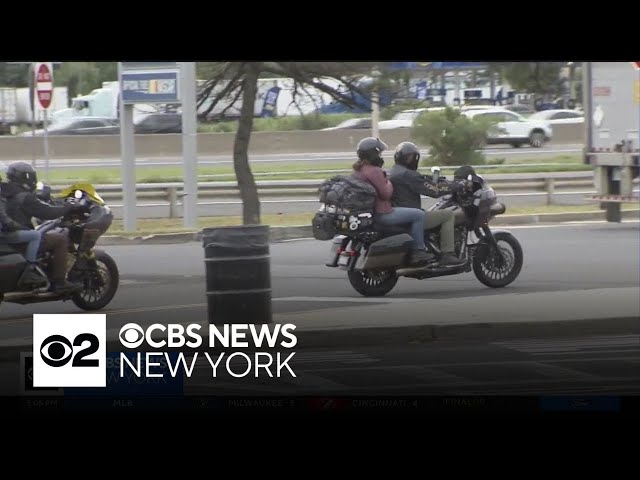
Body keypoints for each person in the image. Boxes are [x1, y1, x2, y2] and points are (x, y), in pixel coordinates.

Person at [1, 162, 82, 293]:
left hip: (5, 235)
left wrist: (39, 196)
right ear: (25, 177)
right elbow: (47, 212)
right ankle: (60, 282)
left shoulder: (5, 191)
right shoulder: (25, 197)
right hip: (19, 236)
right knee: (60, 240)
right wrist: (68, 207)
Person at [351, 137, 432, 265]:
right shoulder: (375, 171)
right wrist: (388, 182)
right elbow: (386, 194)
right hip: (383, 213)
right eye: (379, 153)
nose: (380, 156)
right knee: (419, 214)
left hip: (370, 214)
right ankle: (419, 251)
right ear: (373, 154)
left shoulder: (359, 170)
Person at [389, 141, 465, 267]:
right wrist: (456, 185)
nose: (413, 159)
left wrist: (434, 179)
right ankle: (447, 255)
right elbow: (434, 191)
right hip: (410, 215)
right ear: (409, 158)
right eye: (412, 157)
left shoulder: (396, 171)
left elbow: (420, 179)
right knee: (447, 215)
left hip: (400, 212)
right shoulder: (408, 174)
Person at [0, 193, 44, 285]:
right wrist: (21, 227)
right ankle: (29, 269)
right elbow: (5, 219)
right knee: (35, 235)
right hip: (4, 235)